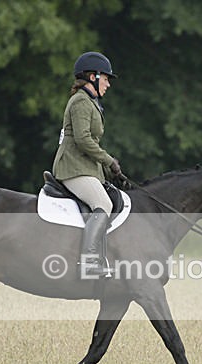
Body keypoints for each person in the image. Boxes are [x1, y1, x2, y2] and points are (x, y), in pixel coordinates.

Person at [52, 51, 122, 278]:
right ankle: (89, 262)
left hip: (84, 167)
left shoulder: (90, 102)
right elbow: (83, 140)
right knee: (103, 203)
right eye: (106, 78)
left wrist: (106, 170)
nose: (108, 84)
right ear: (93, 76)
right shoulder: (81, 101)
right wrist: (109, 160)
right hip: (72, 167)